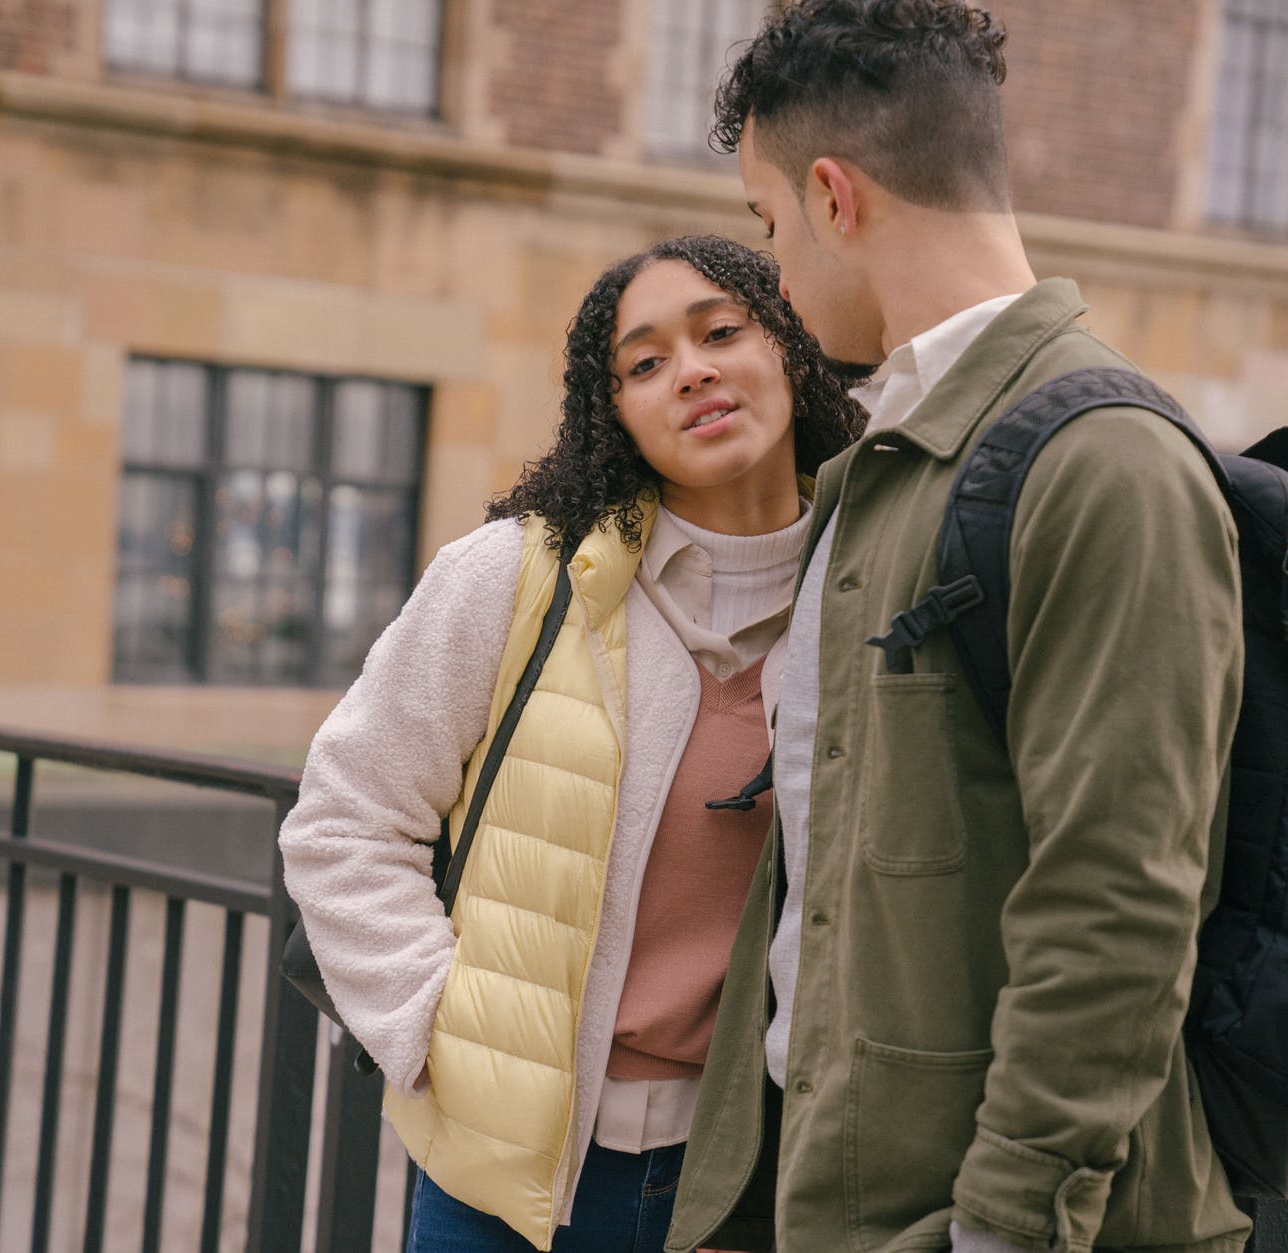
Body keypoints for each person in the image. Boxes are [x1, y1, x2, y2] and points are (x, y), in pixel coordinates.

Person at [666, 4, 1252, 1252]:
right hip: (834, 1200)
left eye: (766, 223)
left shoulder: (1104, 464)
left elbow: (1115, 905)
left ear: (833, 197)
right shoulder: (887, 460)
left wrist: (1004, 1230)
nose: (768, 271)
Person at [278, 234, 865, 1253]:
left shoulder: (871, 596)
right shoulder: (511, 578)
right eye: (643, 364)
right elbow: (343, 819)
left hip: (748, 1189)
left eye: (720, 331)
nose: (690, 370)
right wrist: (441, 1032)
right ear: (618, 415)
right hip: (503, 1193)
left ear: (789, 349)